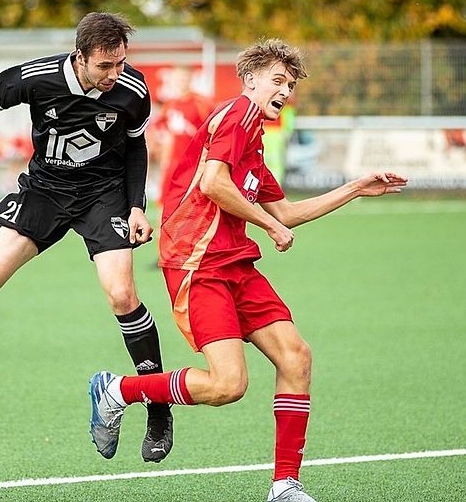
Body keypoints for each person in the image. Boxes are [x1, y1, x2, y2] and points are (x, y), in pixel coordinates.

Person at [87, 39, 407, 502]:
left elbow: (288, 212)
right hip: (198, 263)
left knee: (296, 357)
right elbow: (214, 184)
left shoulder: (254, 138)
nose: (285, 91)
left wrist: (355, 188)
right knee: (227, 384)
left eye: (290, 85)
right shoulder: (236, 115)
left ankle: (285, 485)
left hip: (235, 261)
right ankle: (117, 390)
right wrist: (268, 226)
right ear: (250, 80)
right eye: (277, 81)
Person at [0, 12, 175, 463]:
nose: (115, 74)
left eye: (121, 63)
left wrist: (137, 206)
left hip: (102, 196)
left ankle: (159, 407)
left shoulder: (132, 89)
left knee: (122, 294)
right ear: (80, 55)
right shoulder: (35, 77)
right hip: (45, 191)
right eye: (105, 66)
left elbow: (136, 146)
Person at [152, 67, 213, 206]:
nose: (181, 82)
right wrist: (164, 156)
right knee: (167, 198)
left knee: (196, 199)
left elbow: (213, 129)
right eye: (178, 78)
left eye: (184, 78)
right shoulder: (170, 104)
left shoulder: (202, 103)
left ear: (191, 79)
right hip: (173, 160)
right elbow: (163, 130)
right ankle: (165, 227)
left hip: (195, 160)